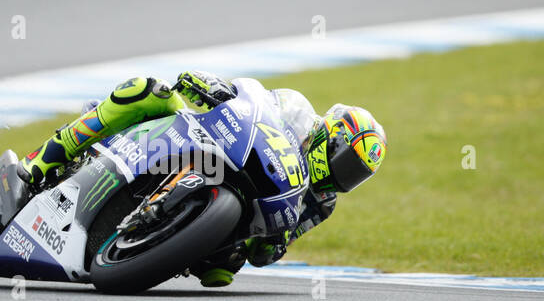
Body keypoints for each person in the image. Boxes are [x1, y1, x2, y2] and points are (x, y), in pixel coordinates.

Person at [21, 71, 385, 286]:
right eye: (346, 162)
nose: (344, 176)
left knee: (221, 274)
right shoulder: (298, 111)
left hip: (240, 217)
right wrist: (213, 88)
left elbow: (267, 256)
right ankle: (43, 159)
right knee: (147, 90)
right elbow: (254, 104)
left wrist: (275, 241)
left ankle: (156, 240)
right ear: (330, 139)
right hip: (219, 147)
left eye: (356, 175)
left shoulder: (322, 204)